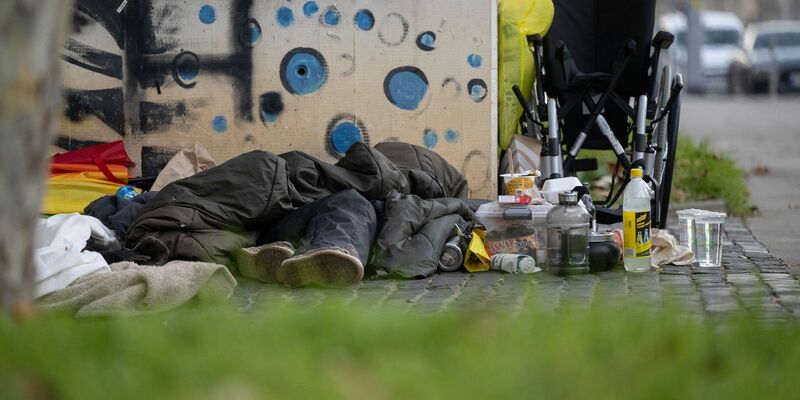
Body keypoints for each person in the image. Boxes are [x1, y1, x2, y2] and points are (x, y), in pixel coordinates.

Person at [236, 189, 381, 288]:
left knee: (354, 205)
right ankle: (328, 251)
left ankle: (289, 254)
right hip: (293, 214)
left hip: (299, 220)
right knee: (352, 202)